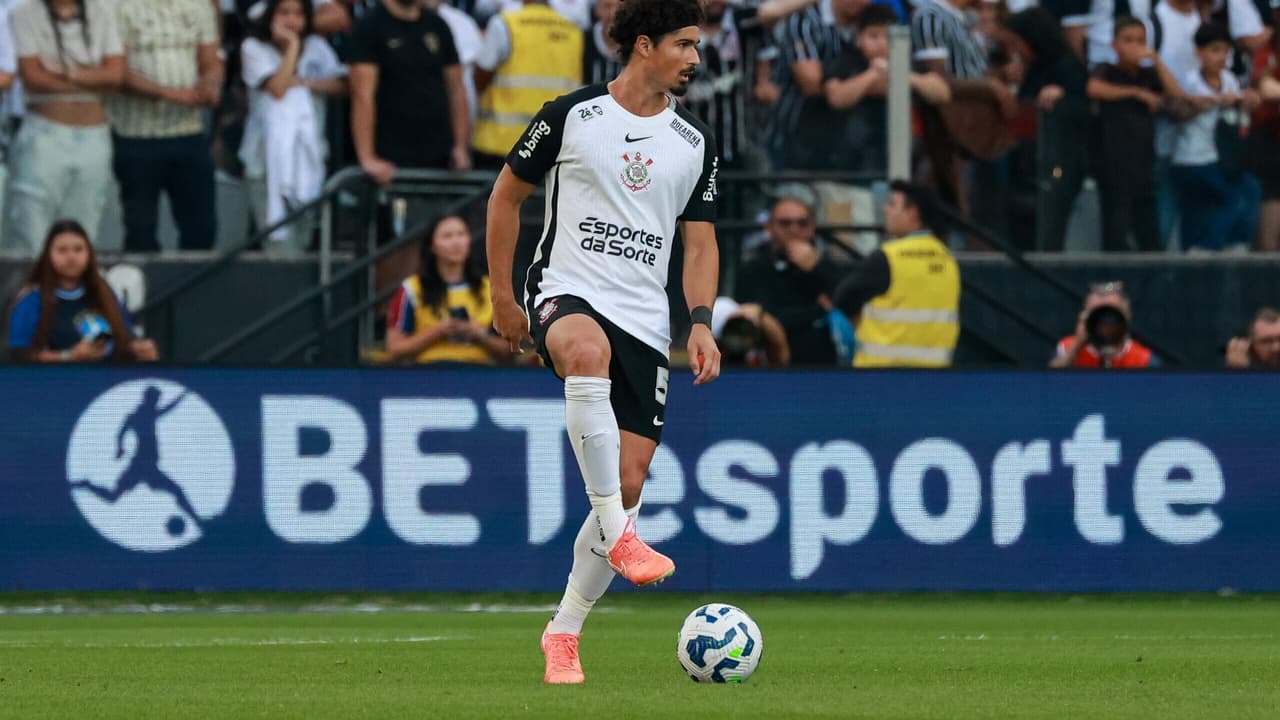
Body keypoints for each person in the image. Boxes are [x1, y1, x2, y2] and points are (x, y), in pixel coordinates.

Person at [485, 0, 721, 685]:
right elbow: (505, 198)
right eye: (683, 44)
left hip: (645, 319)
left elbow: (699, 245)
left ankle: (563, 632)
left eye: (697, 46)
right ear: (644, 45)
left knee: (628, 480)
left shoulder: (694, 142)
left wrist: (700, 320)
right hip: (566, 289)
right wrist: (503, 297)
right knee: (585, 354)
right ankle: (621, 536)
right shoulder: (571, 115)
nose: (694, 58)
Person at [3, 0, 123, 254]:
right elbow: (33, 78)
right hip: (45, 134)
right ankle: (30, 283)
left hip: (95, 136)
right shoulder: (25, 12)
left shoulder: (102, 11)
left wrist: (64, 72)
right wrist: (92, 78)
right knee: (31, 234)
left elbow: (115, 76)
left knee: (81, 235)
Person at [110, 0, 223, 253]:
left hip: (189, 133)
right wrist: (172, 94)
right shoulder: (117, 6)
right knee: (140, 233)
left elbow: (211, 60)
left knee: (202, 229)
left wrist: (211, 83)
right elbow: (116, 72)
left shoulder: (200, 6)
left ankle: (192, 281)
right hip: (136, 136)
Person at [239, 0, 348, 252]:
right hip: (264, 162)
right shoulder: (253, 48)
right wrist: (293, 47)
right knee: (279, 245)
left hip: (308, 157)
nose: (291, 20)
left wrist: (308, 83)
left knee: (302, 243)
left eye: (298, 14)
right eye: (284, 13)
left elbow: (344, 84)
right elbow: (278, 88)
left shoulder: (317, 46)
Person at [1087, 16, 1188, 252]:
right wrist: (1136, 93)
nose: (1134, 46)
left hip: (1144, 164)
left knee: (1149, 235)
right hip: (1113, 163)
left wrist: (1157, 61)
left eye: (1140, 41)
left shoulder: (1148, 75)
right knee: (1116, 232)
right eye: (1128, 40)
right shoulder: (1107, 70)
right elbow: (1093, 88)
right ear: (1114, 44)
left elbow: (1177, 95)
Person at [834, 180, 961, 368]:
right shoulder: (947, 259)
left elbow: (842, 298)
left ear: (913, 213)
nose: (885, 209)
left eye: (892, 204)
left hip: (883, 374)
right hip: (935, 375)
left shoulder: (889, 257)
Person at [348, 0, 470, 186]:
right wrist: (367, 157)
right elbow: (362, 95)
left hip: (441, 159)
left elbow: (457, 90)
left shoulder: (438, 25)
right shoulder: (369, 26)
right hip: (390, 160)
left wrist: (460, 147)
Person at [821, 4, 951, 174]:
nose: (882, 43)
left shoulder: (908, 62)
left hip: (902, 154)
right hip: (852, 157)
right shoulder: (846, 61)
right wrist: (873, 74)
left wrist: (902, 74)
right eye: (874, 36)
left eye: (888, 37)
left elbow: (942, 92)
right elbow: (836, 97)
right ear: (859, 38)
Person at [8, 219, 158, 362]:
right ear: (48, 255)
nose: (71, 257)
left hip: (106, 377)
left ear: (89, 254)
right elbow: (20, 354)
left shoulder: (105, 294)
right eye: (62, 250)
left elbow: (124, 340)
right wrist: (69, 356)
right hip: (54, 379)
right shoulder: (33, 298)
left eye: (78, 249)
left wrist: (139, 350)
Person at [1171, 22, 1261, 253]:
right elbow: (1180, 110)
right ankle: (1205, 248)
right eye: (1215, 50)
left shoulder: (1229, 79)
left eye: (1225, 51)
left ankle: (1233, 245)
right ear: (1199, 52)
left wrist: (1246, 103)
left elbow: (1238, 115)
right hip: (1192, 158)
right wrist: (1217, 100)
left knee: (1249, 188)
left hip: (1219, 157)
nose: (1221, 57)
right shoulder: (1189, 81)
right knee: (1232, 196)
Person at [470, 0, 582, 170]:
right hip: (553, 145)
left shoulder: (505, 24)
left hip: (502, 143)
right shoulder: (573, 29)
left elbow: (480, 76)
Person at [385, 214, 508, 364]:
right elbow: (394, 348)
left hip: (477, 370)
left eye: (461, 234)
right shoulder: (411, 288)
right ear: (432, 246)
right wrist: (439, 331)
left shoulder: (491, 288)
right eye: (447, 236)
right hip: (427, 371)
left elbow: (510, 350)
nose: (456, 242)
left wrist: (479, 334)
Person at [735, 197, 845, 364]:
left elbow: (846, 306)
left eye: (802, 223)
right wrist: (818, 310)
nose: (794, 229)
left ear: (812, 228)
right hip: (771, 365)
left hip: (822, 365)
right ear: (769, 227)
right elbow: (764, 318)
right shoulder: (753, 268)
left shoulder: (826, 267)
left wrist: (817, 269)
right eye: (785, 223)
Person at [1050, 281, 1157, 368]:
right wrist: (1075, 347)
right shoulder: (1066, 348)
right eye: (1097, 315)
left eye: (1111, 316)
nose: (1105, 324)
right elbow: (1051, 381)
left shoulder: (1143, 360)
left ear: (1127, 316)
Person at [582, 0, 622, 85]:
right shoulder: (582, 41)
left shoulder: (638, 46)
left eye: (619, 7)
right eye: (607, 6)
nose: (613, 13)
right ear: (597, 9)